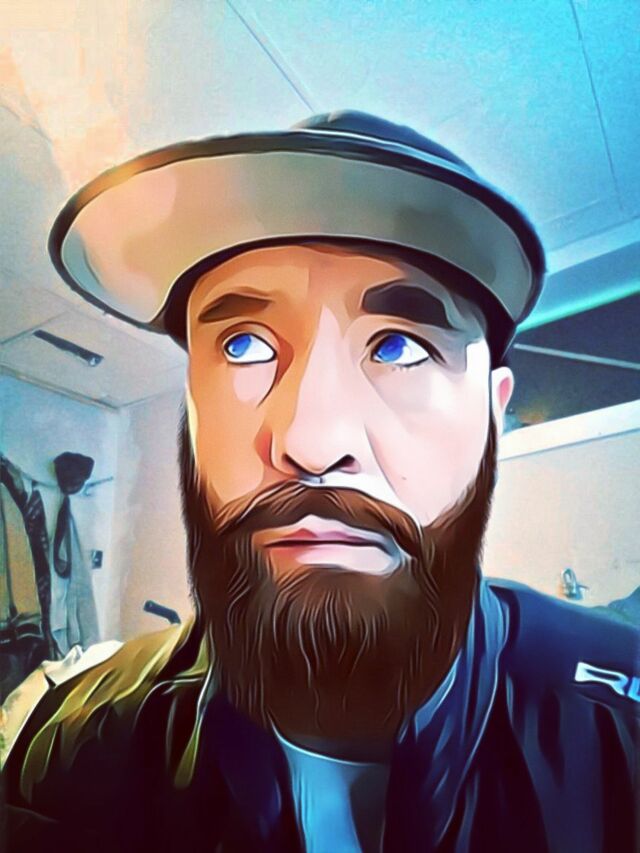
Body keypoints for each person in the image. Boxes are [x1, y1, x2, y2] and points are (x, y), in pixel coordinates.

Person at [3, 112, 637, 852]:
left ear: (492, 422)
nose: (312, 441)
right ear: (193, 415)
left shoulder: (617, 736)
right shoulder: (75, 746)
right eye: (244, 345)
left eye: (398, 347)